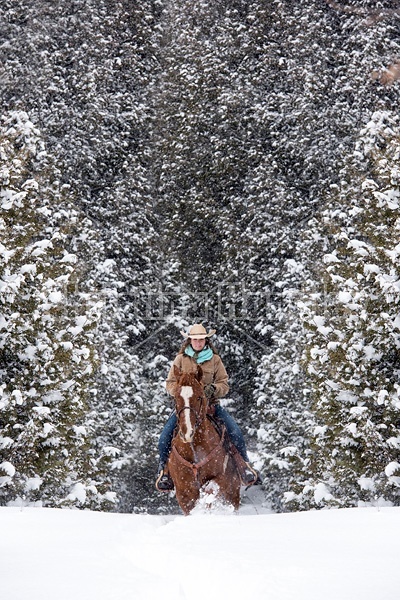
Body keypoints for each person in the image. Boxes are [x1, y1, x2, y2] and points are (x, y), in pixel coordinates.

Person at [156, 323, 258, 491]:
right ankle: (164, 471)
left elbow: (224, 384)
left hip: (210, 406)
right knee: (164, 437)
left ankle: (244, 466)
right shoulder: (180, 359)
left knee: (236, 432)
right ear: (190, 340)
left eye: (201, 339)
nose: (198, 343)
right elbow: (170, 383)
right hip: (187, 408)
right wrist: (180, 391)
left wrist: (214, 389)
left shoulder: (215, 360)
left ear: (206, 340)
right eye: (195, 340)